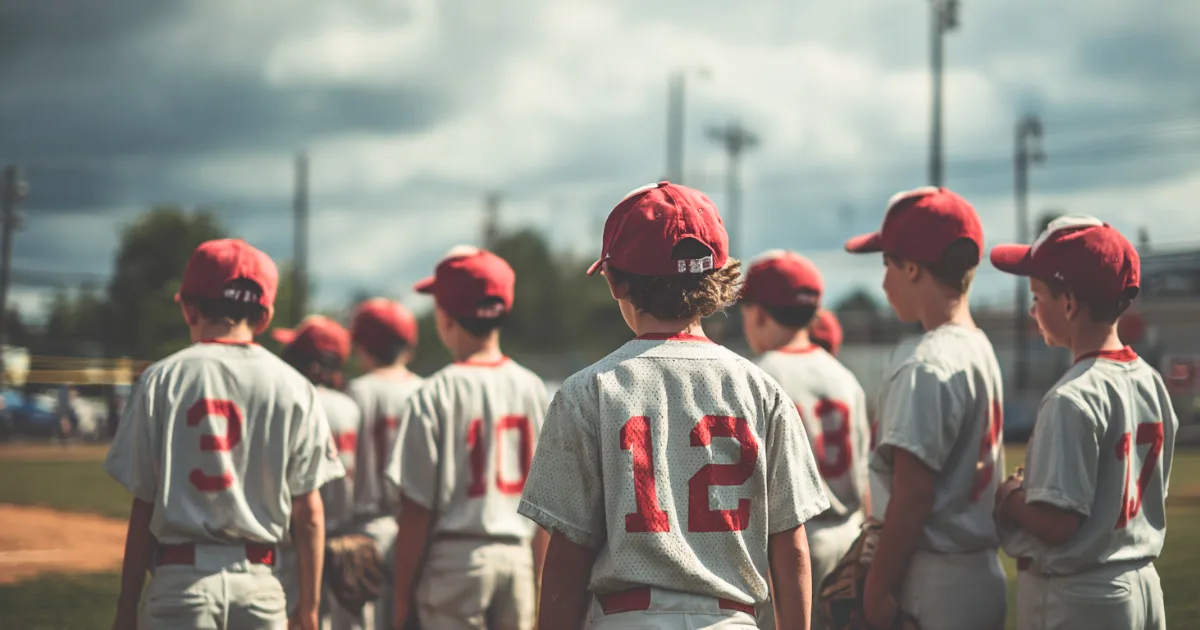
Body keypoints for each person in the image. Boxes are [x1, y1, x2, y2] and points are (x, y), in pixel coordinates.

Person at [519, 181, 829, 630]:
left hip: (628, 618)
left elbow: (567, 556)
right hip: (731, 618)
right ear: (717, 277)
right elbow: (791, 545)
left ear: (615, 280)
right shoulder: (762, 389)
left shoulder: (588, 390)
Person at [104, 238, 344, 630]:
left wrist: (126, 604)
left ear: (188, 307)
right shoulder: (295, 386)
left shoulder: (161, 378)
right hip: (260, 586)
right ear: (264, 317)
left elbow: (144, 505)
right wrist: (311, 606)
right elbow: (310, 514)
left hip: (180, 584)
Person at [990, 215, 1176, 630]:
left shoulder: (1071, 396)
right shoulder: (1150, 380)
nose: (1032, 309)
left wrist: (1011, 497)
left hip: (1084, 596)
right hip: (1143, 582)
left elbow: (1058, 525)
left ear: (1069, 304)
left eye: (1037, 297)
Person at [843, 187, 1006, 630]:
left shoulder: (924, 361)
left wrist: (876, 591)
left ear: (912, 268)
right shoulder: (978, 345)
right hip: (979, 574)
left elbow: (914, 495)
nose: (882, 282)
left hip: (932, 581)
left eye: (887, 265)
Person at [386, 246, 550, 630]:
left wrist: (400, 597)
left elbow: (416, 509)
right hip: (516, 559)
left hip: (454, 560)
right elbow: (547, 506)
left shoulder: (434, 392)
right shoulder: (533, 387)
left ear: (445, 317)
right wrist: (541, 579)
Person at [740, 250, 870, 630]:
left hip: (787, 550)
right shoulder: (845, 377)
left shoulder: (758, 376)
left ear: (760, 313)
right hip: (847, 540)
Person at [273, 315, 365, 630]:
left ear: (313, 365)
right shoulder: (351, 407)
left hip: (294, 551)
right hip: (347, 549)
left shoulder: (290, 401)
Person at [346, 298, 423, 630]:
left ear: (363, 347)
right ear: (408, 346)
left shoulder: (356, 391)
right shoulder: (428, 389)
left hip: (365, 531)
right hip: (417, 532)